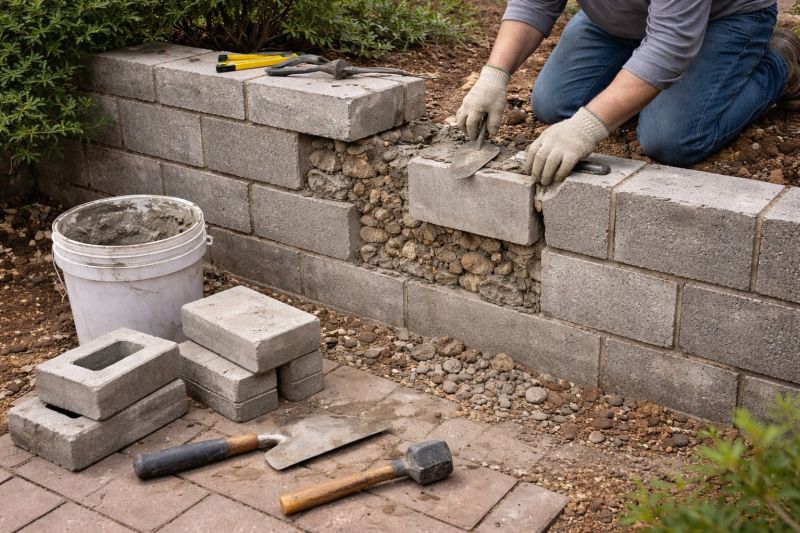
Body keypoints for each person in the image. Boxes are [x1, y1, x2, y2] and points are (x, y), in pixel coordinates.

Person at [457, 1, 800, 185]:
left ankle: (779, 63)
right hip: (618, 20)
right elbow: (534, 6)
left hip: (721, 18)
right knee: (553, 104)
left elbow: (669, 46)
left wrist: (586, 127)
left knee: (670, 139)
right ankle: (638, 76)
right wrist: (494, 75)